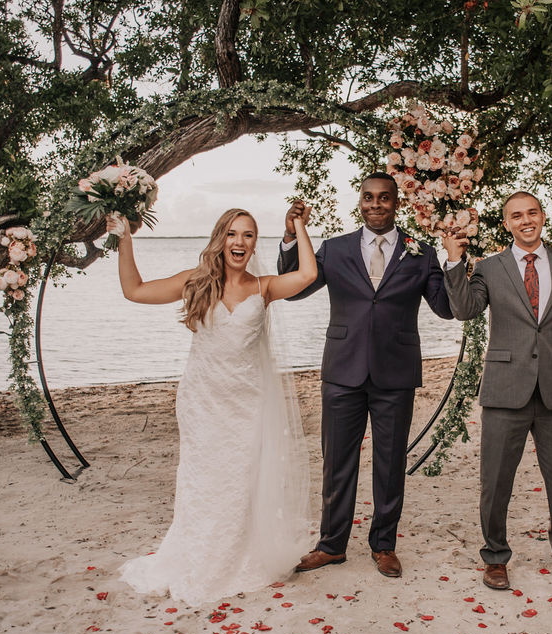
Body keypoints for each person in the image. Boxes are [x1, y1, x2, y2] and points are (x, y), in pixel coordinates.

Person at [115, 205, 317, 606]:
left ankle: (235, 558)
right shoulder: (195, 282)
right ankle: (197, 556)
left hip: (247, 404)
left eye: (248, 235)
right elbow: (134, 290)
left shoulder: (264, 287)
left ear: (255, 243)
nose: (239, 242)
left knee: (239, 484)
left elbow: (309, 274)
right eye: (232, 234)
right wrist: (124, 238)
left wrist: (298, 226)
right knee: (202, 482)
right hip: (203, 402)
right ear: (219, 239)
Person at [278, 172, 454, 578]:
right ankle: (331, 545)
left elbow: (445, 308)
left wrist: (455, 262)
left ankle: (384, 545)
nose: (376, 204)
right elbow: (296, 287)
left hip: (396, 372)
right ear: (360, 201)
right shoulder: (334, 249)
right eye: (369, 197)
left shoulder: (421, 253)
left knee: (390, 463)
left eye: (385, 198)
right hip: (342, 369)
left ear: (397, 203)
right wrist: (291, 238)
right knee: (336, 460)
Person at [441, 191, 552, 591]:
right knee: (496, 481)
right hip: (504, 391)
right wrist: (453, 261)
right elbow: (465, 310)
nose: (525, 220)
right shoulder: (489, 268)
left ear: (543, 216)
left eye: (531, 212)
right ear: (507, 223)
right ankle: (495, 558)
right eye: (516, 216)